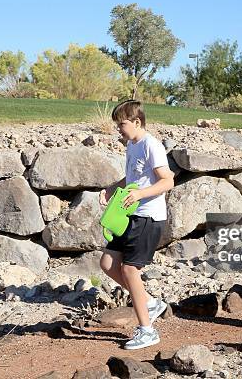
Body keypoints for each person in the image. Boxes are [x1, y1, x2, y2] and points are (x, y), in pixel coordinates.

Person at [99, 99, 174, 350]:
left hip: (148, 216)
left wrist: (140, 195)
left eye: (121, 124)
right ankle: (150, 302)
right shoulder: (132, 145)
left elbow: (167, 181)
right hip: (130, 215)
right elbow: (134, 177)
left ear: (137, 122)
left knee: (131, 270)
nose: (118, 129)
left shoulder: (151, 145)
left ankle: (147, 331)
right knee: (108, 263)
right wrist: (112, 188)